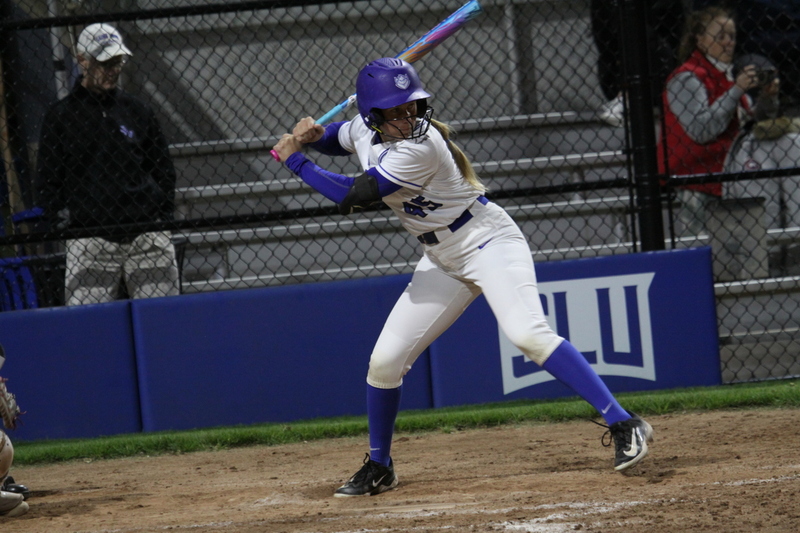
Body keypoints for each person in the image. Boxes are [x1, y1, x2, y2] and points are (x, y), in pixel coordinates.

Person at [272, 57, 654, 498]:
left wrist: (295, 160)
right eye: (395, 112)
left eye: (411, 107)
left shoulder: (422, 146)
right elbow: (342, 138)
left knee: (528, 334)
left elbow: (352, 195)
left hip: (487, 241)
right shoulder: (365, 127)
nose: (407, 117)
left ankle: (625, 423)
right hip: (440, 258)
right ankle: (380, 465)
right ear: (373, 116)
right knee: (384, 362)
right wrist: (316, 137)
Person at [36, 23, 180, 306]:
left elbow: (163, 168)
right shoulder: (62, 118)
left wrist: (160, 217)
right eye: (105, 62)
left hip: (145, 233)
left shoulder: (136, 111)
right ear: (82, 60)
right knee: (90, 330)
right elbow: (47, 179)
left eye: (117, 61)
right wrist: (68, 223)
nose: (113, 69)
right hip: (91, 237)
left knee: (163, 320)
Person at [658, 6, 779, 237]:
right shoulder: (687, 77)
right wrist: (736, 90)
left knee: (787, 145)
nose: (728, 43)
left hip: (732, 164)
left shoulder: (727, 75)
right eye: (720, 36)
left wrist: (768, 97)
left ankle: (783, 239)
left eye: (731, 36)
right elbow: (701, 130)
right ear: (700, 40)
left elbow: (753, 124)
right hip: (699, 170)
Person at [592, 0, 686, 127]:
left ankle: (625, 96)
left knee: (641, 31)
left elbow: (675, 34)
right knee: (634, 28)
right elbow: (604, 41)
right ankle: (624, 96)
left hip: (662, 68)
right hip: (617, 71)